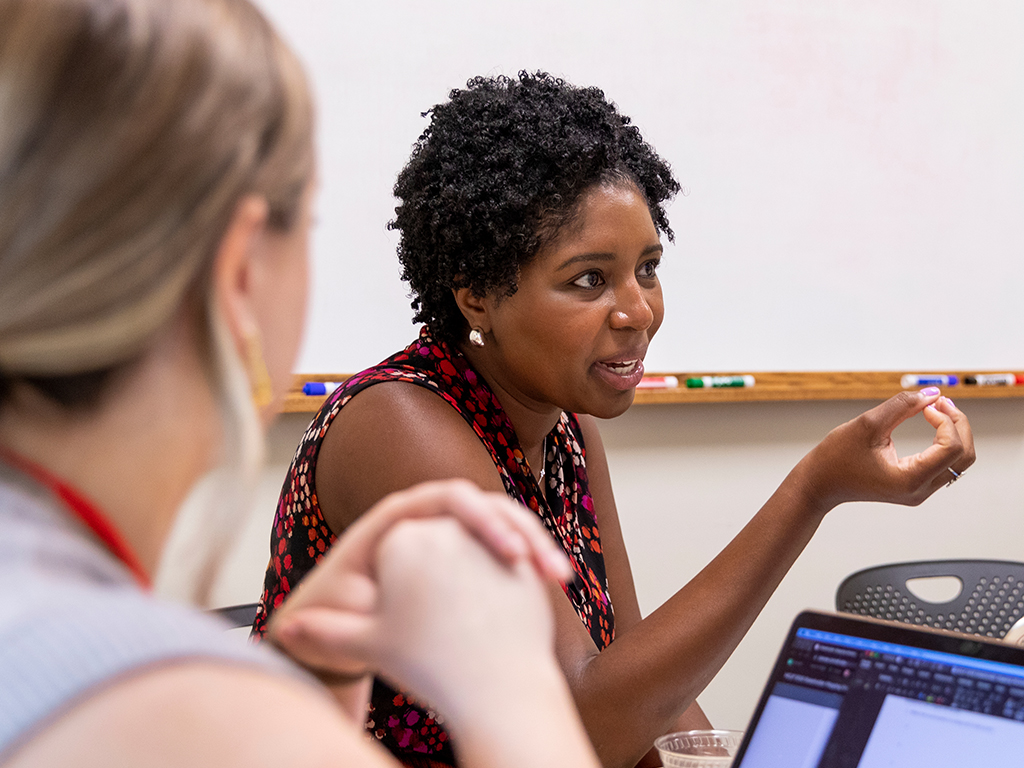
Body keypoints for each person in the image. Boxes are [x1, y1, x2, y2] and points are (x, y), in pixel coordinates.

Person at [254, 72, 976, 768]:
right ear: (475, 295)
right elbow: (581, 733)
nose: (638, 312)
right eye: (589, 280)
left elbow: (635, 683)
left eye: (648, 268)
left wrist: (714, 757)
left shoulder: (567, 431)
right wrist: (809, 492)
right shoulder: (401, 426)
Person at [0, 4, 602, 768]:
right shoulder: (150, 697)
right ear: (242, 272)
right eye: (308, 221)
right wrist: (507, 684)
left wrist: (300, 694)